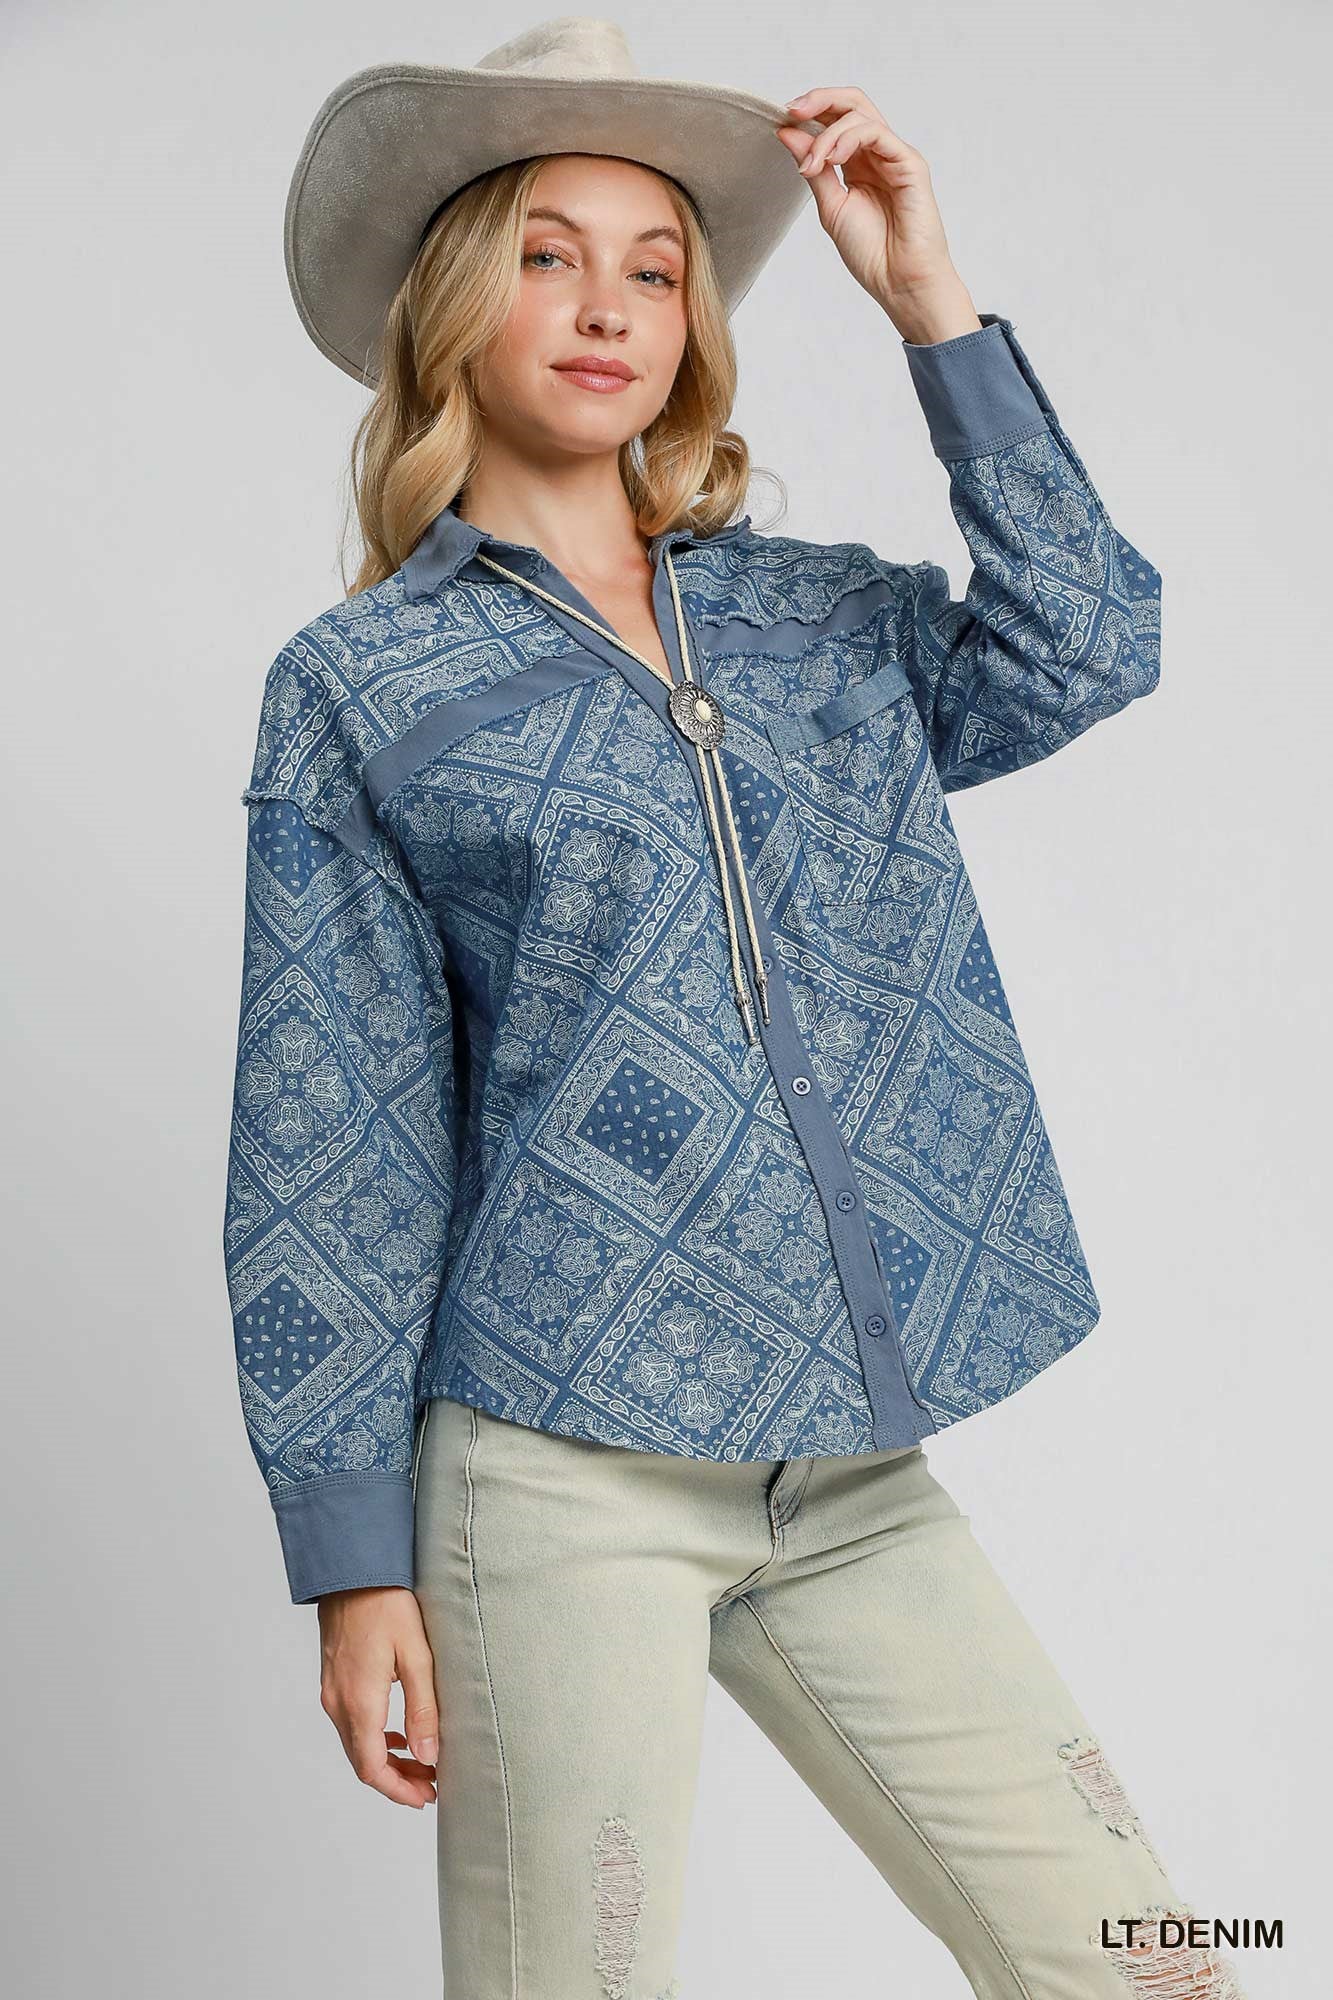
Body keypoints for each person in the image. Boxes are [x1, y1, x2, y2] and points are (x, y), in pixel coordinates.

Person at [222, 20, 1244, 1999]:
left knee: (1148, 1962)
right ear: (450, 299)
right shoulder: (361, 688)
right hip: (557, 1474)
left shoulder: (821, 621)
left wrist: (927, 302)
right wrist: (352, 1559)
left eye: (657, 264)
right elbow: (327, 1137)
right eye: (545, 254)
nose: (608, 305)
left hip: (849, 1469)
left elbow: (1087, 641)